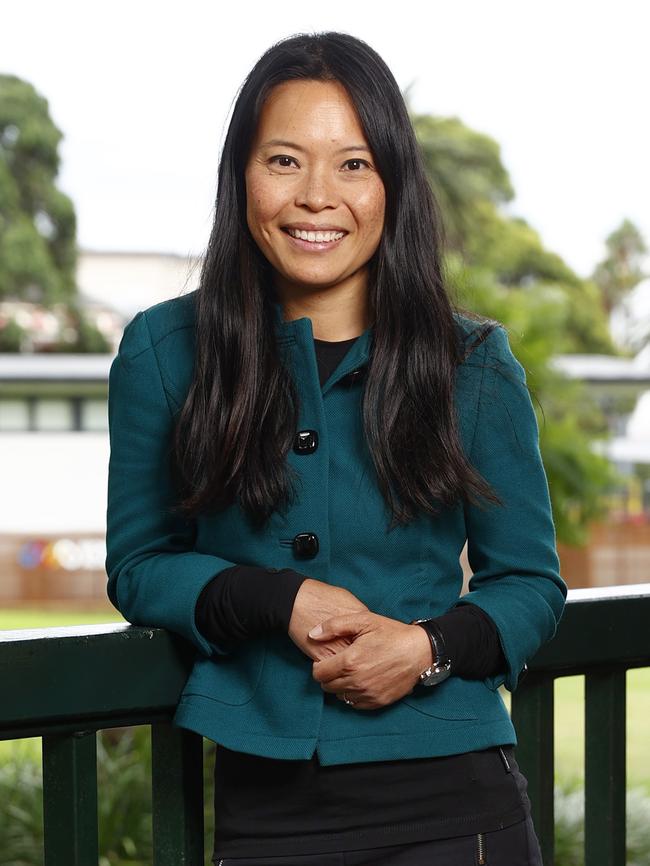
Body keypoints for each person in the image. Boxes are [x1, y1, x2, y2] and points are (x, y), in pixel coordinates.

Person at [105, 30, 567, 865]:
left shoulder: (472, 363)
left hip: (459, 803)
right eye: (284, 160)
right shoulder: (163, 353)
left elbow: (530, 581)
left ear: (392, 183)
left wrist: (426, 651)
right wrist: (276, 599)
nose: (318, 196)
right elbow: (140, 565)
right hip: (267, 807)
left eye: (353, 164)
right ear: (241, 176)